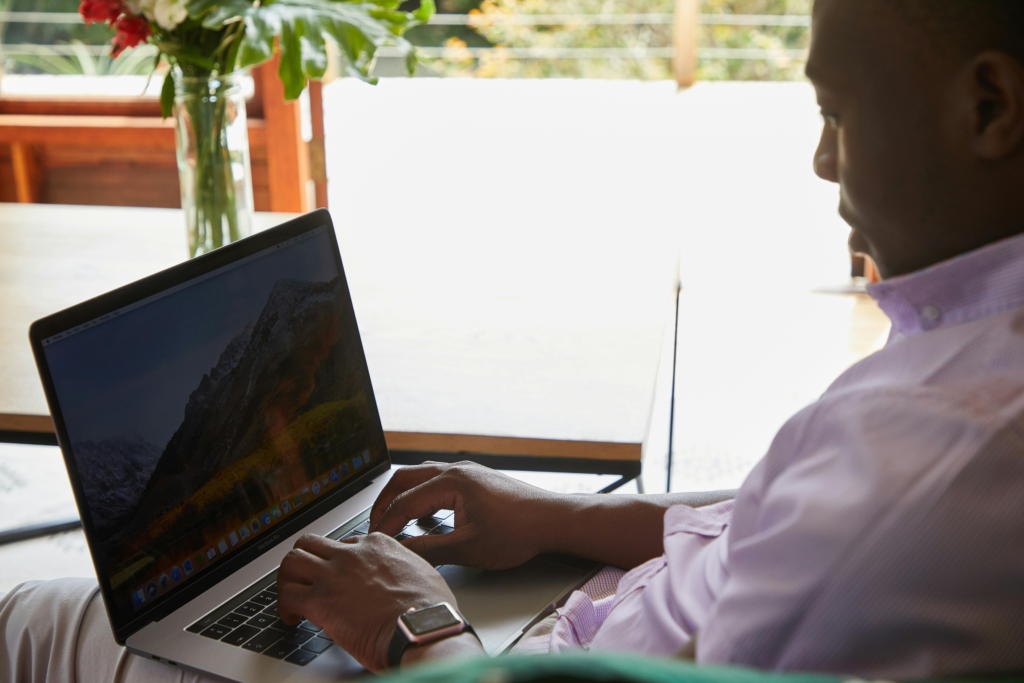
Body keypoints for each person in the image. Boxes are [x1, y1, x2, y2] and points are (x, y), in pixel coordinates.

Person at [4, 0, 1024, 680]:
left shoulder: (937, 448)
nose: (820, 160)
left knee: (34, 618)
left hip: (486, 663)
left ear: (989, 107)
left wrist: (414, 625)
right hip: (571, 614)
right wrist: (553, 513)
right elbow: (766, 525)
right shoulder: (957, 379)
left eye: (836, 113)